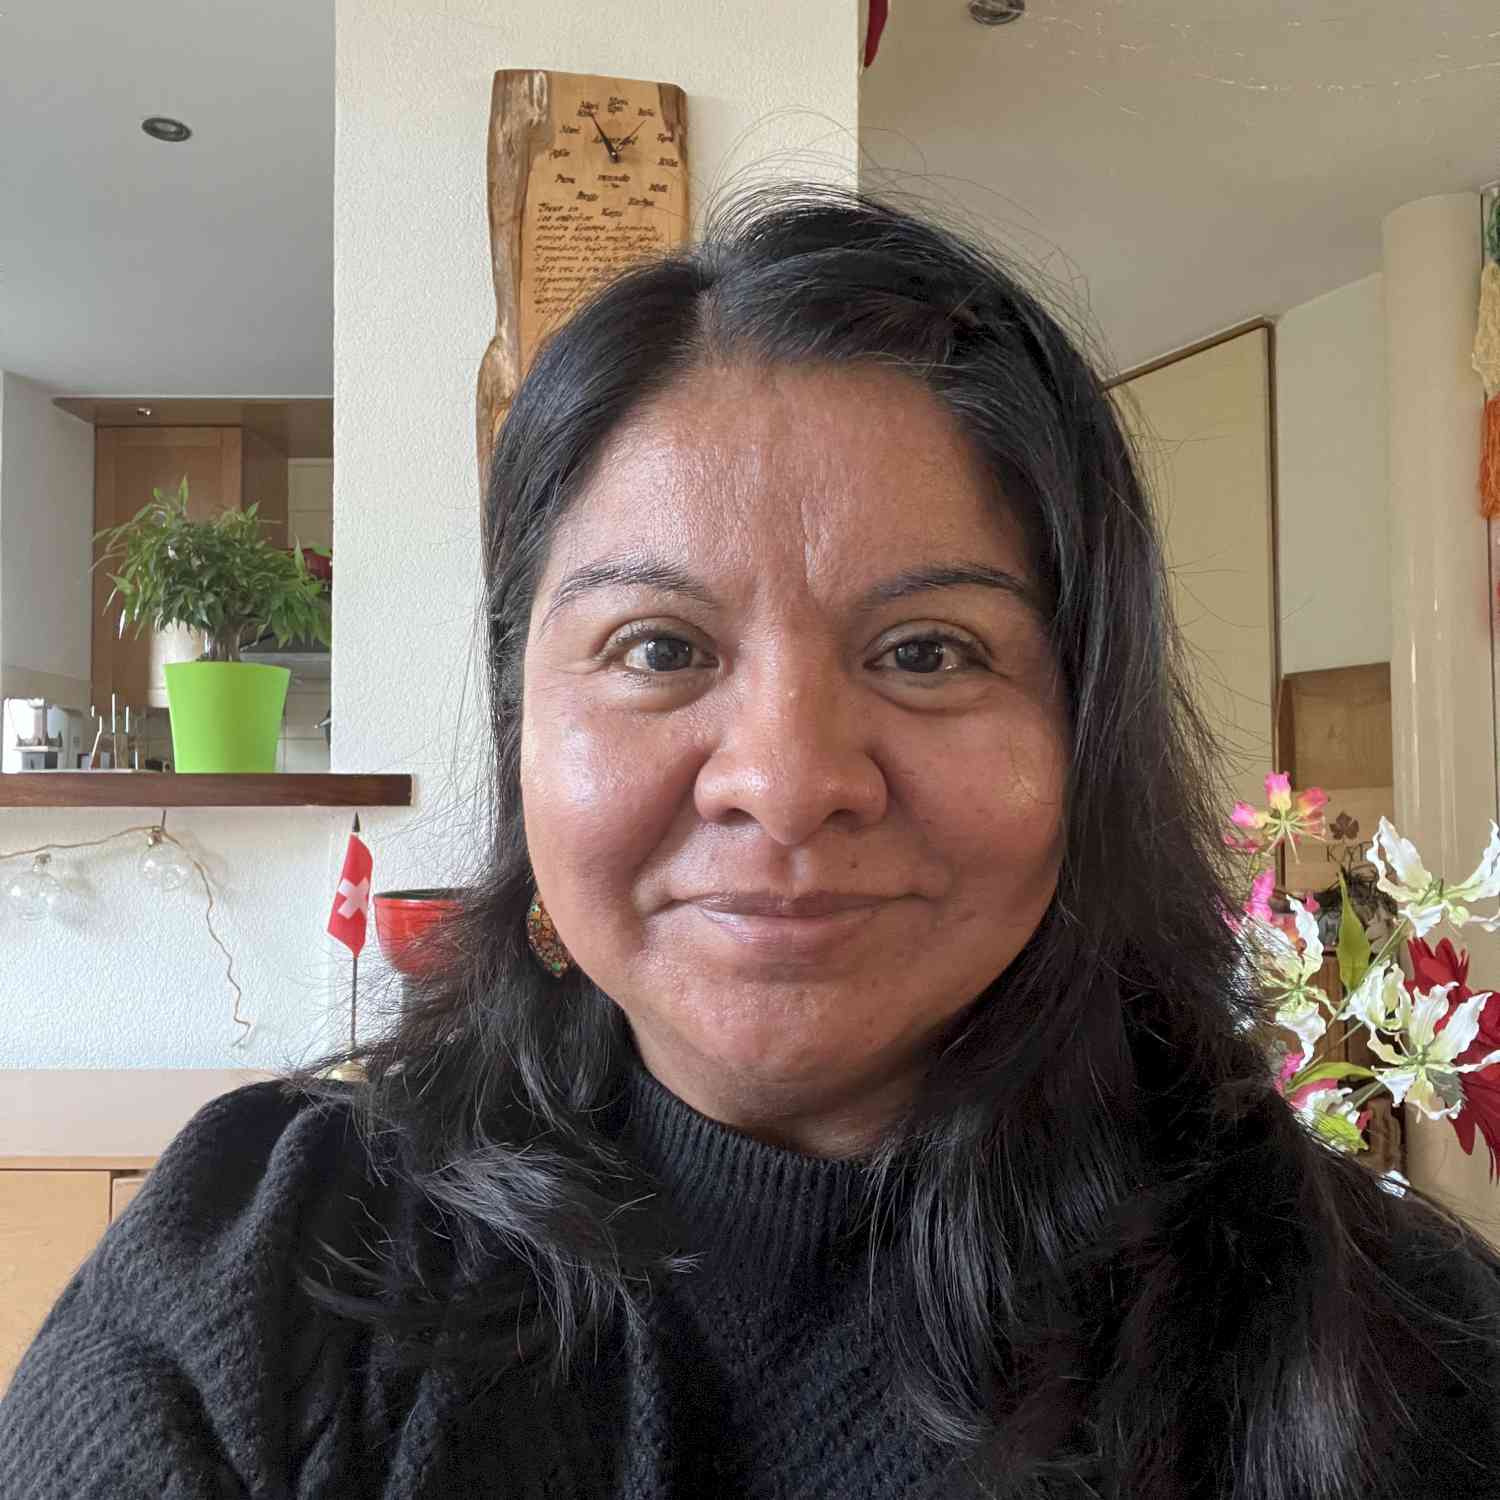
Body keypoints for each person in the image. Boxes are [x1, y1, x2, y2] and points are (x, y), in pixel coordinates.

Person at [3, 183, 1499, 1500]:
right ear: (524, 723)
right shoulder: (262, 1271)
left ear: (1085, 732)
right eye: (658, 647)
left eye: (928, 652)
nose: (785, 786)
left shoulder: (1383, 1346)